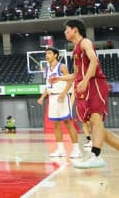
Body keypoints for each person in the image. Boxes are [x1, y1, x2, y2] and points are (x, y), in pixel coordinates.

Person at [50, 19, 119, 168]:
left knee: (96, 120)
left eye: (67, 30)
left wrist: (86, 80)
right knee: (96, 126)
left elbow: (94, 61)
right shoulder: (75, 50)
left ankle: (96, 155)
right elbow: (75, 74)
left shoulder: (85, 42)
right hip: (86, 85)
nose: (65, 32)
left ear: (75, 30)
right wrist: (59, 78)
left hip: (95, 83)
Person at [37, 47, 81, 158]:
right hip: (52, 99)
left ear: (55, 55)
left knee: (68, 123)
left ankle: (76, 150)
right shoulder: (47, 69)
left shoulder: (62, 66)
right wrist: (42, 97)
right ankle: (60, 150)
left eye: (49, 53)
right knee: (56, 125)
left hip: (62, 97)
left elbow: (70, 81)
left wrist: (64, 93)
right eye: (46, 54)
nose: (47, 55)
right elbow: (48, 86)